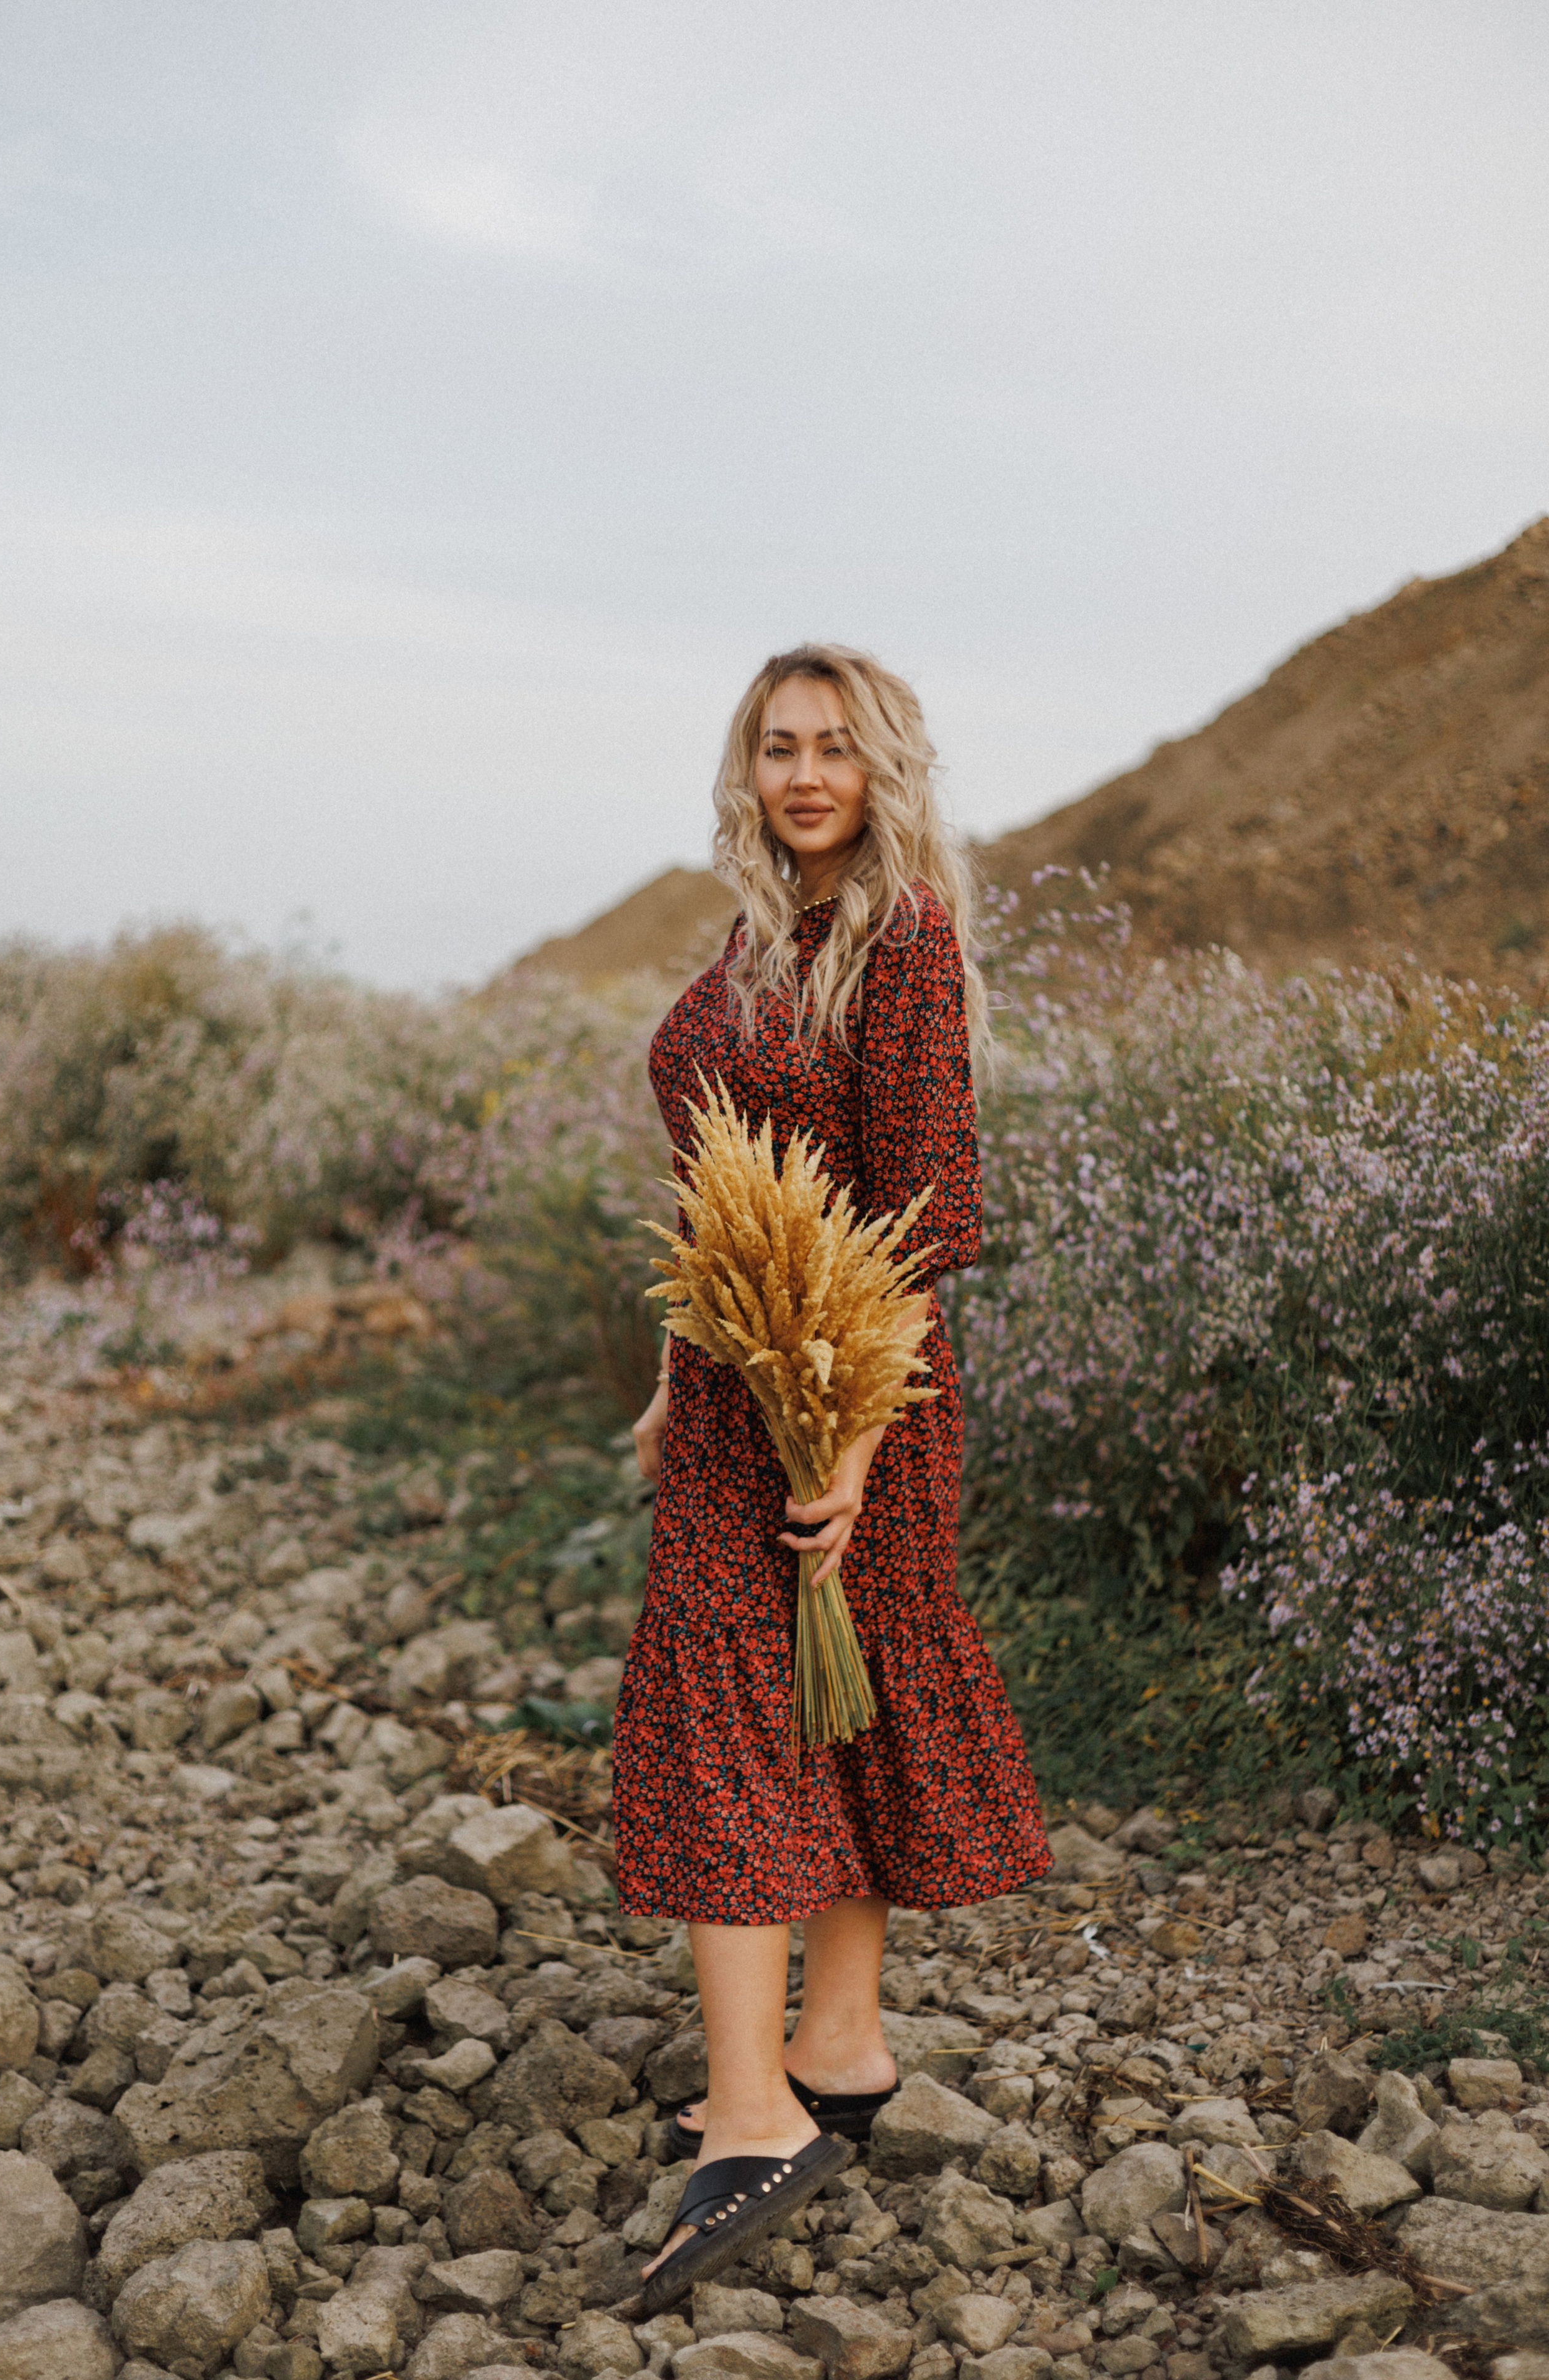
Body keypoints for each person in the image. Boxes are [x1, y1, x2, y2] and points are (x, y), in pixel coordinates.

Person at [612, 644, 1051, 2313]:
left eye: (835, 749)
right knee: (820, 1701)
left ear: (883, 767)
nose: (805, 775)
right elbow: (726, 1193)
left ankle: (753, 2114)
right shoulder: (766, 927)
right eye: (779, 747)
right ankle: (838, 2041)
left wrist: (853, 1443)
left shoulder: (910, 933)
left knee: (730, 1706)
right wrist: (685, 1359)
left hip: (855, 1400)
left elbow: (932, 1208)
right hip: (747, 1390)